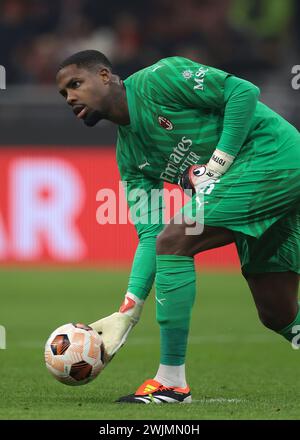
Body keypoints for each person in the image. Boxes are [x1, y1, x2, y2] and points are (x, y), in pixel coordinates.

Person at [56, 50, 300, 404]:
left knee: (177, 240)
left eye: (76, 84)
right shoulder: (130, 158)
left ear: (105, 75)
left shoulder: (161, 78)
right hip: (253, 183)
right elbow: (150, 235)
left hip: (274, 157)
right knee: (276, 310)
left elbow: (243, 92)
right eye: (64, 94)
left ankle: (171, 382)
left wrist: (217, 164)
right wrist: (130, 309)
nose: (71, 98)